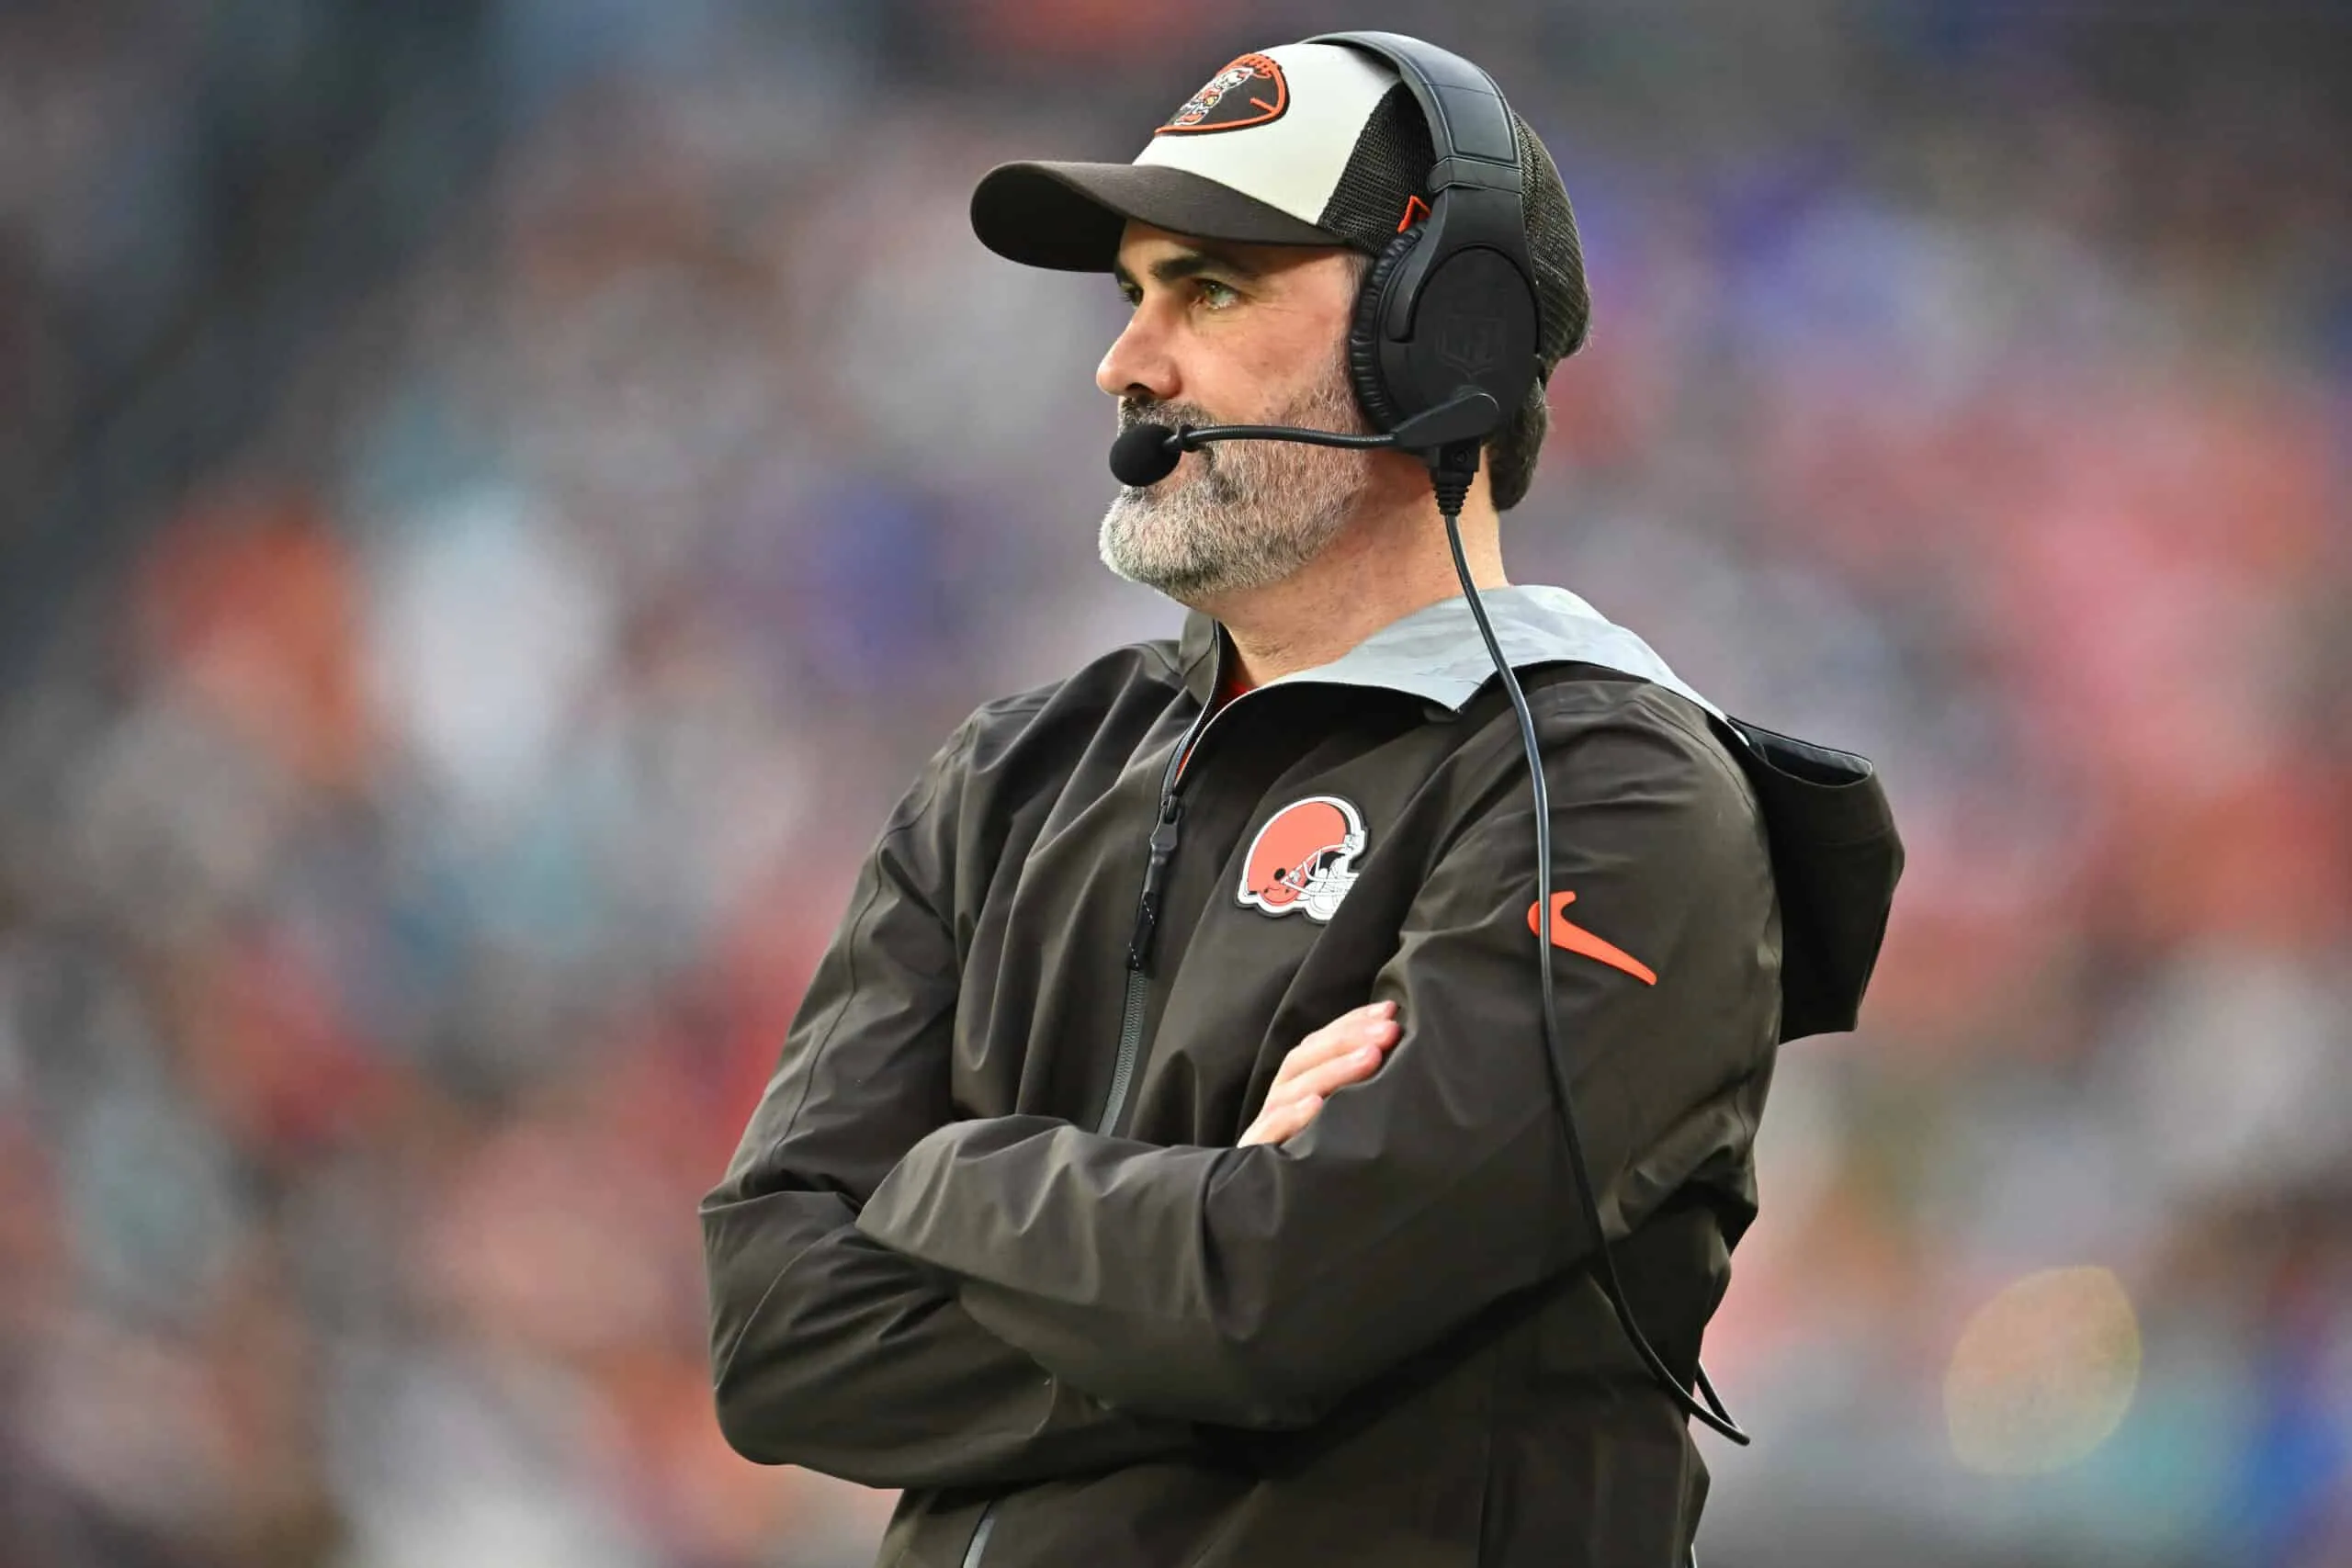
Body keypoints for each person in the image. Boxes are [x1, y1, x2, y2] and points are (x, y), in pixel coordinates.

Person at [701, 33, 1900, 1568]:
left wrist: (949, 1173)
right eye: (1131, 295)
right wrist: (1190, 1249)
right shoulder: (1009, 775)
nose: (1127, 364)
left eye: (1208, 289)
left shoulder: (1615, 795)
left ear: (1438, 333)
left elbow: (1279, 1299)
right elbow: (776, 1330)